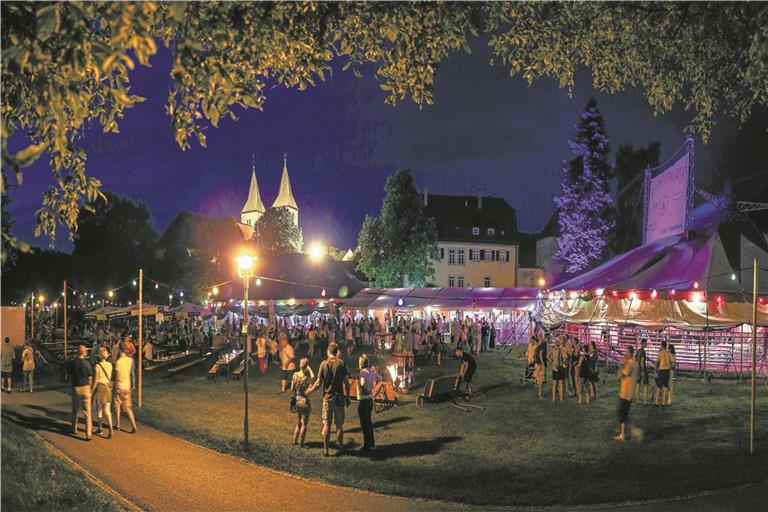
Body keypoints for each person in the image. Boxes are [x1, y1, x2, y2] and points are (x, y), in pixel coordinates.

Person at [308, 342, 350, 456]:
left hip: (327, 397)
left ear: (328, 351)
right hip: (340, 397)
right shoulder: (341, 363)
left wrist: (309, 392)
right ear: (336, 352)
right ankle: (341, 448)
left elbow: (318, 383)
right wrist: (348, 396)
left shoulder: (323, 364)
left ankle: (326, 450)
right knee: (339, 425)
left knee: (327, 424)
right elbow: (346, 382)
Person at [69, 344, 94, 440]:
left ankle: (74, 428)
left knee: (74, 410)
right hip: (86, 388)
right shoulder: (87, 364)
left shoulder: (73, 363)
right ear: (84, 352)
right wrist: (90, 389)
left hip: (76, 388)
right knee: (87, 412)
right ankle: (88, 433)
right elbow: (90, 378)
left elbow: (70, 376)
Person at [357, 354, 381, 451]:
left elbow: (362, 384)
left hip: (364, 400)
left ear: (361, 364)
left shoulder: (362, 373)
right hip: (370, 400)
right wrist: (374, 391)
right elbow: (380, 379)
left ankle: (367, 444)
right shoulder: (372, 372)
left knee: (364, 423)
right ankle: (371, 442)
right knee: (369, 422)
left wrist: (364, 389)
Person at [290, 357, 315, 447]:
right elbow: (313, 378)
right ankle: (301, 443)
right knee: (304, 423)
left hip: (297, 400)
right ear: (306, 366)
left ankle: (294, 441)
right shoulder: (306, 377)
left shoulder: (295, 375)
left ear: (300, 365)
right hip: (304, 401)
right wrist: (309, 368)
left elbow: (292, 388)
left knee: (299, 422)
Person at [616, 345, 638, 441]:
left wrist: (621, 365)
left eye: (626, 352)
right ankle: (624, 433)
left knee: (621, 413)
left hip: (625, 392)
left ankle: (627, 433)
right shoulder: (635, 363)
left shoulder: (630, 363)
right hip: (629, 392)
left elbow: (621, 375)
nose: (625, 354)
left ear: (630, 353)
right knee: (623, 413)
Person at [114, 345, 138, 433]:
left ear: (120, 351)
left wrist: (115, 387)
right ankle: (134, 425)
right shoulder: (130, 360)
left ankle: (118, 424)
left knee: (117, 406)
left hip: (120, 386)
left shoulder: (118, 362)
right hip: (127, 386)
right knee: (128, 408)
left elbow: (118, 377)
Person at [91, 346, 114, 438]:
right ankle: (111, 429)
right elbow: (110, 377)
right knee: (107, 410)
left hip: (100, 388)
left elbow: (96, 380)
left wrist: (92, 391)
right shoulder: (110, 365)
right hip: (108, 388)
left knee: (99, 409)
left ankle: (100, 428)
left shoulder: (97, 366)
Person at [655, 340, 672, 407]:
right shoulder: (668, 353)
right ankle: (663, 403)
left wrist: (656, 370)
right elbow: (673, 360)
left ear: (662, 346)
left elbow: (656, 362)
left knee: (658, 387)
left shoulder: (660, 353)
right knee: (665, 387)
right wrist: (670, 367)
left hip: (661, 371)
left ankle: (656, 402)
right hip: (667, 371)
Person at [635, 338, 650, 405]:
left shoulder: (637, 351)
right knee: (645, 385)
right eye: (646, 343)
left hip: (637, 369)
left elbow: (636, 360)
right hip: (642, 369)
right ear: (643, 343)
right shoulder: (643, 352)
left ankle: (637, 399)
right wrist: (643, 371)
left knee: (638, 384)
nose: (646, 344)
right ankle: (645, 401)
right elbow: (642, 362)